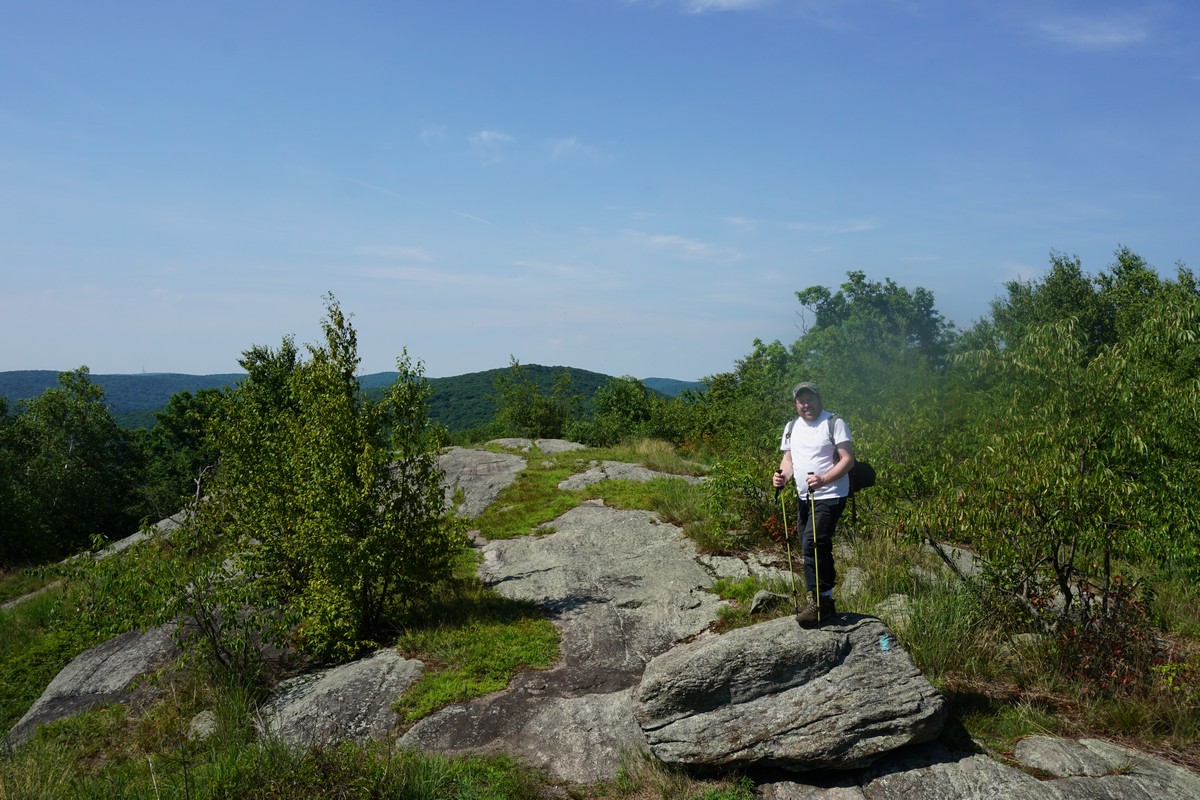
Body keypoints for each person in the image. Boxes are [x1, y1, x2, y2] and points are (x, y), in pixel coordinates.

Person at [771, 382, 855, 627]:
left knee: (812, 543)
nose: (806, 405)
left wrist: (824, 479)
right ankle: (826, 599)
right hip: (804, 495)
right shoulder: (792, 426)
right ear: (796, 404)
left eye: (810, 400)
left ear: (819, 400)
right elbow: (789, 459)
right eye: (801, 401)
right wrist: (782, 477)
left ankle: (819, 602)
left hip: (830, 493)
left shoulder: (834, 423)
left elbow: (848, 460)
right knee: (815, 544)